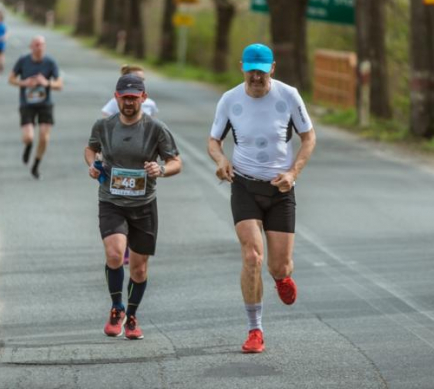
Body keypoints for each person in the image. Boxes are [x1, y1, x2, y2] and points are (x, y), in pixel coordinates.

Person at [207, 43, 316, 354]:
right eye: (251, 69)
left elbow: (309, 137)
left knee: (279, 266)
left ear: (272, 68)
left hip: (281, 189)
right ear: (242, 67)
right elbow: (214, 140)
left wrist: (294, 172)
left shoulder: (289, 96)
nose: (256, 76)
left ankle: (282, 278)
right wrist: (220, 160)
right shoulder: (230, 100)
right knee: (252, 257)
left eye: (261, 70)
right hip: (244, 185)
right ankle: (255, 329)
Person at [84, 74, 182, 340]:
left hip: (144, 205)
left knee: (139, 269)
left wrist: (160, 169)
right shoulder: (103, 126)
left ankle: (132, 315)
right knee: (115, 254)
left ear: (143, 97)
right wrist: (92, 165)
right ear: (116, 97)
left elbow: (176, 162)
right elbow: (91, 149)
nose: (129, 102)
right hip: (111, 201)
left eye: (134, 97)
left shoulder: (156, 129)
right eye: (124, 97)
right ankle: (117, 308)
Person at [101, 64, 159, 265]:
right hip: (120, 157)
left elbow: (154, 127)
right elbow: (105, 126)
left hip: (140, 161)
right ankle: (121, 245)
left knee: (136, 204)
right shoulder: (114, 105)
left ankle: (132, 246)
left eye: (142, 80)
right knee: (120, 206)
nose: (139, 82)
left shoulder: (150, 104)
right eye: (136, 78)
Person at [8, 36, 63, 179]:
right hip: (27, 104)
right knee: (28, 136)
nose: (39, 47)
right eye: (36, 45)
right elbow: (11, 79)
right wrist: (24, 83)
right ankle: (28, 146)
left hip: (45, 104)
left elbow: (59, 84)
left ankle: (36, 165)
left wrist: (46, 83)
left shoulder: (50, 62)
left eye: (42, 45)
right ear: (31, 47)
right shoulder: (23, 61)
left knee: (44, 137)